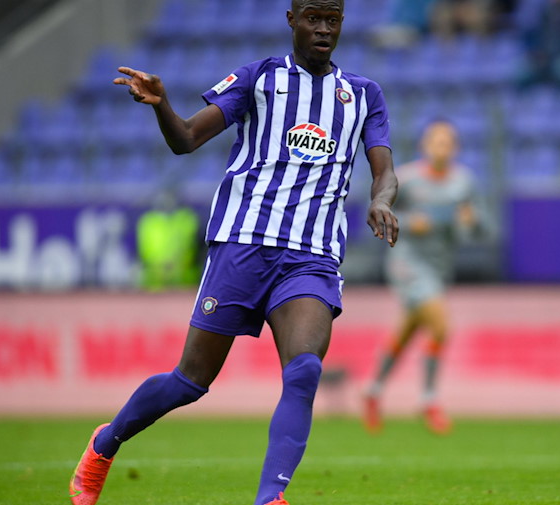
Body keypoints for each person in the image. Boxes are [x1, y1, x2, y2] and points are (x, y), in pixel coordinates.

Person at [68, 1, 399, 505]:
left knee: (305, 368)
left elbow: (383, 168)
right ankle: (104, 444)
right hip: (242, 247)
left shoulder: (362, 95)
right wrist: (162, 105)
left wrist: (380, 200)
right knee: (190, 381)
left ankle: (270, 498)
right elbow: (185, 140)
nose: (323, 29)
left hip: (310, 255)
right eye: (314, 17)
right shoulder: (258, 79)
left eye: (333, 20)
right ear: (292, 19)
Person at [362, 119, 478, 436]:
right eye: (435, 141)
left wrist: (468, 223)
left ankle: (372, 390)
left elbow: (469, 232)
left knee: (409, 330)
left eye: (447, 142)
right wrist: (410, 221)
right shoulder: (408, 180)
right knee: (440, 325)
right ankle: (429, 399)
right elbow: (377, 214)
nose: (441, 148)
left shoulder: (463, 183)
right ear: (425, 146)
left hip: (438, 267)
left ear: (454, 148)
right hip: (407, 263)